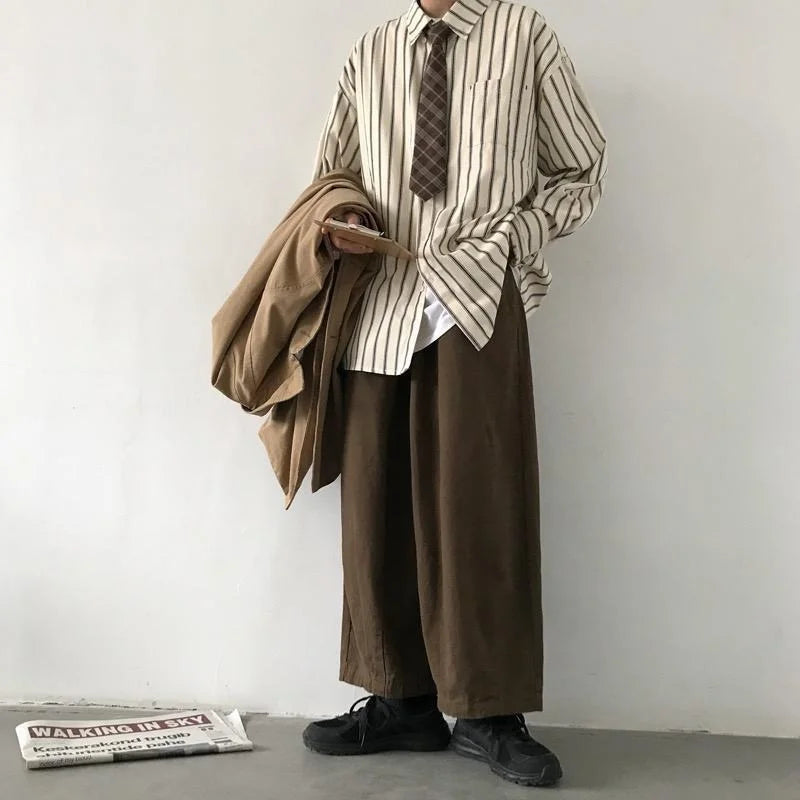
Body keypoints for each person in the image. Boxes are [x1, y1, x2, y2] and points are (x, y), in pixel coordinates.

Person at [304, 0, 607, 787]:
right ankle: (400, 700)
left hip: (476, 301)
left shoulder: (524, 36)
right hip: (379, 300)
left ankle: (487, 710)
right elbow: (333, 176)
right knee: (375, 506)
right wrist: (343, 218)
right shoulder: (373, 51)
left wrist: (511, 244)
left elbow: (581, 170)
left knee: (482, 504)